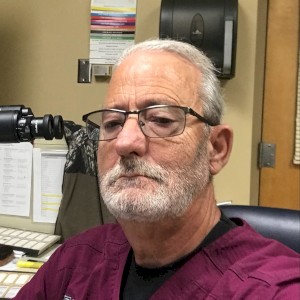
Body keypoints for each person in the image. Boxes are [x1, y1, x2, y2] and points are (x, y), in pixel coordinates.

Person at [14, 39, 299, 299]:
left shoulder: (269, 289)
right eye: (112, 123)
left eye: (161, 120)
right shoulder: (76, 262)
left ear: (216, 148)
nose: (125, 142)